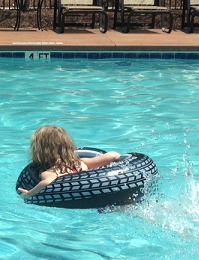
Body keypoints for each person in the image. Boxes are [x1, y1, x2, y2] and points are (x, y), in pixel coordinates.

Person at [18, 125, 121, 199]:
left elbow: (47, 182)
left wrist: (29, 194)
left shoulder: (49, 173)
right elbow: (112, 155)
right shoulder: (82, 163)